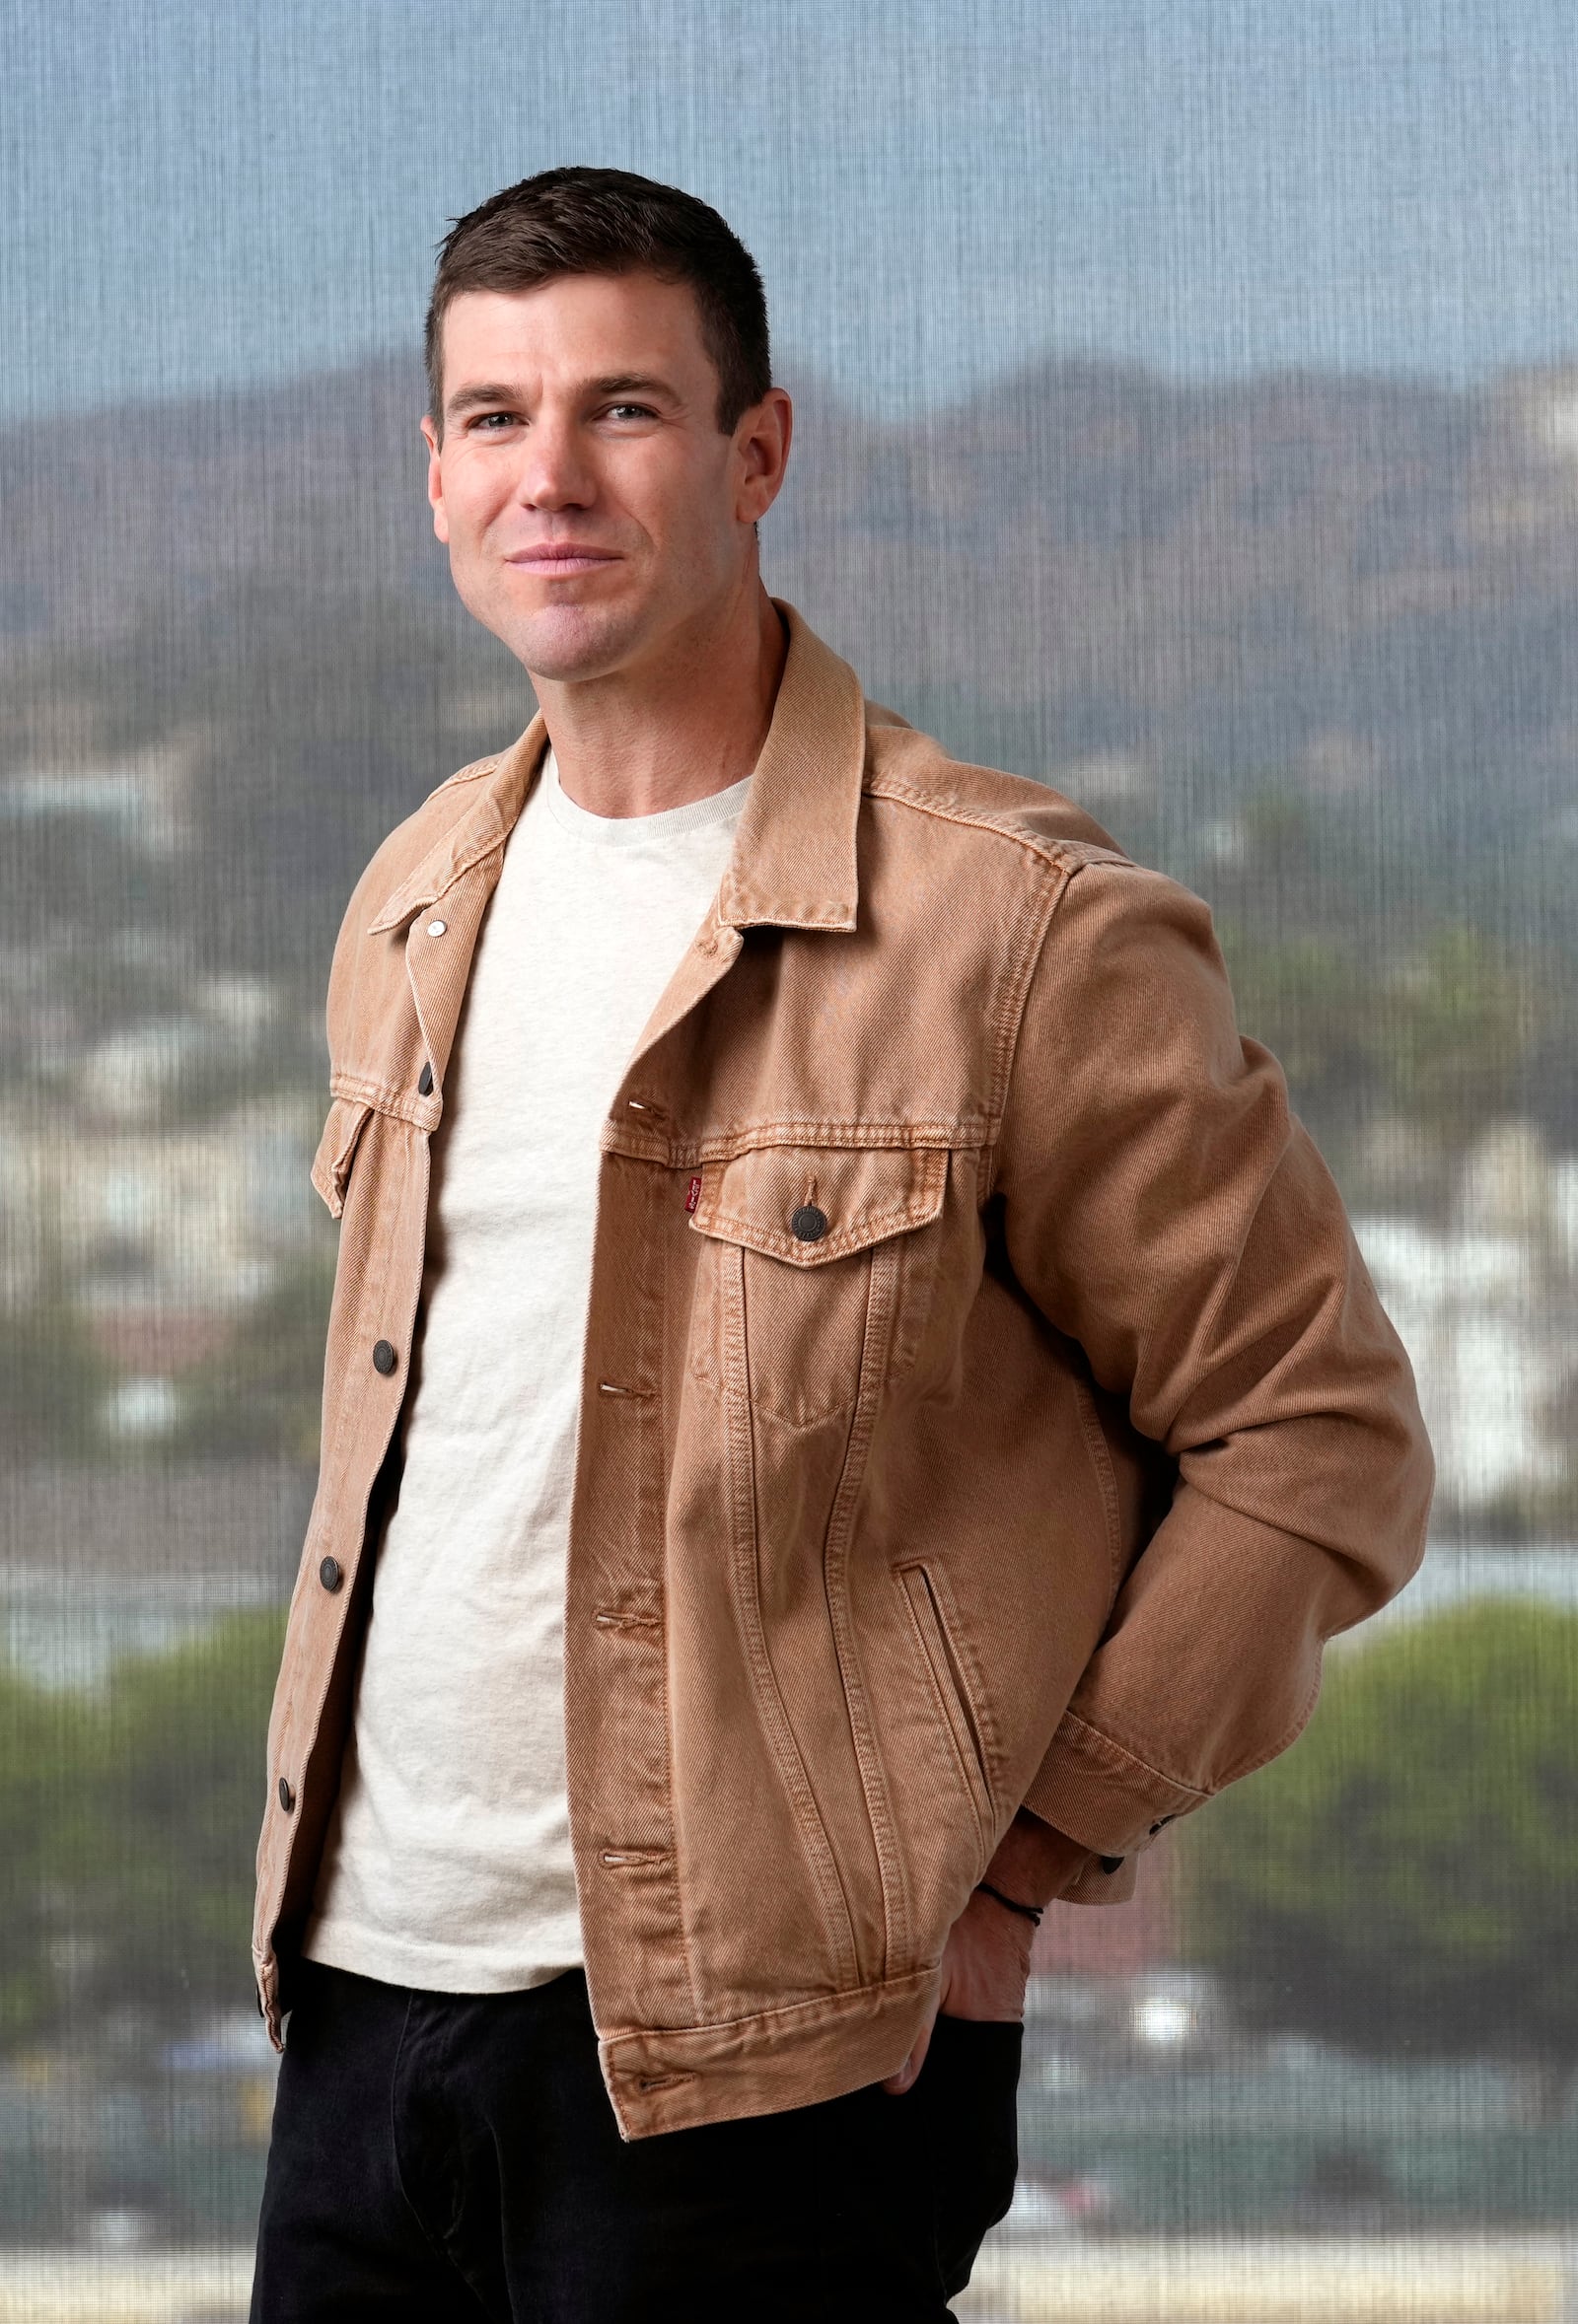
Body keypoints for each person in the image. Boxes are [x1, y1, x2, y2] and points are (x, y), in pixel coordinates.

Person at [248, 167, 1433, 2321]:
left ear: (753, 453)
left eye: (621, 409)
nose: (551, 476)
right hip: (357, 2017)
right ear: (429, 474)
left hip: (763, 2075)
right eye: (493, 418)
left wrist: (1016, 1872)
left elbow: (1316, 1439)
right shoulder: (416, 891)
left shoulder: (1010, 921)